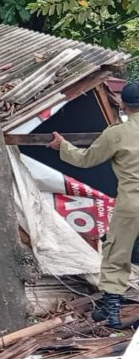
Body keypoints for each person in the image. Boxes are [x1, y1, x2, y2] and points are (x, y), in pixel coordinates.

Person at [49, 82, 139, 328]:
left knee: (116, 255)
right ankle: (108, 311)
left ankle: (111, 312)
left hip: (132, 203)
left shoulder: (116, 133)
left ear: (123, 105)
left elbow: (86, 160)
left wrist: (62, 146)